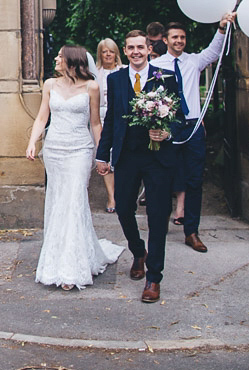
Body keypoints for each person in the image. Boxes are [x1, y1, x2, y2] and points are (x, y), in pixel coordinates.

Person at [25, 45, 124, 290]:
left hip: (80, 150)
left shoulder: (92, 87)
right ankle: (56, 260)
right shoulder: (49, 84)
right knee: (58, 202)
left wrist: (102, 155)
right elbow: (41, 117)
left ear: (72, 61)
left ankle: (71, 267)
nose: (56, 59)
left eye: (60, 56)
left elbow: (95, 123)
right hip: (55, 150)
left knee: (74, 201)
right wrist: (32, 142)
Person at [95, 29, 183, 303]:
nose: (135, 52)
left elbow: (180, 117)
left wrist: (168, 133)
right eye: (131, 47)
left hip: (158, 158)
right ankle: (138, 251)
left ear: (148, 49)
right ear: (126, 49)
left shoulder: (165, 77)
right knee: (123, 208)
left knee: (158, 216)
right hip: (128, 156)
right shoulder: (117, 78)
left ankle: (154, 277)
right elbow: (110, 120)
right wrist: (102, 154)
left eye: (140, 47)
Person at [149, 13, 235, 253]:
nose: (179, 41)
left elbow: (213, 51)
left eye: (183, 37)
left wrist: (220, 27)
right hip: (169, 126)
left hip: (194, 125)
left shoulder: (194, 61)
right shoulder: (155, 66)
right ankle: (160, 225)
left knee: (195, 179)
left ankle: (192, 231)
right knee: (164, 177)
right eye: (175, 37)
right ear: (165, 40)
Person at [93, 37, 124, 214]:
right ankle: (111, 196)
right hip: (101, 115)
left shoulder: (124, 71)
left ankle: (122, 194)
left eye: (111, 51)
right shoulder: (95, 74)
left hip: (119, 116)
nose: (108, 55)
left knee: (120, 157)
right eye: (104, 51)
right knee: (106, 157)